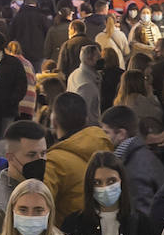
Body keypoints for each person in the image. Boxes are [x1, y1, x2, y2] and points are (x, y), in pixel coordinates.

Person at [42, 91, 114, 222]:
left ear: (54, 121)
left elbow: (39, 206)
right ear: (86, 119)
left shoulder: (54, 162)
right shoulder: (105, 148)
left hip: (67, 232)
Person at [101, 105, 164, 215]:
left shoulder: (135, 166)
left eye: (106, 132)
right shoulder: (139, 155)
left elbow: (141, 214)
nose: (102, 137)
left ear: (121, 134)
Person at [66, 43, 101, 122]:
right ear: (89, 59)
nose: (101, 60)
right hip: (89, 126)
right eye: (98, 57)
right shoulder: (86, 85)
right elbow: (86, 113)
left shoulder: (74, 73)